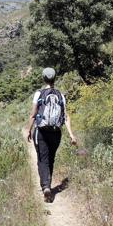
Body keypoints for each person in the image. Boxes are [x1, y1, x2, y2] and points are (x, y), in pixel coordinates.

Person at [25, 67, 77, 202]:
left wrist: (28, 130)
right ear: (55, 78)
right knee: (51, 159)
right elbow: (66, 117)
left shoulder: (39, 93)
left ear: (43, 78)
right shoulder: (61, 95)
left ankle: (46, 186)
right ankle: (48, 184)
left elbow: (33, 114)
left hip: (41, 131)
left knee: (42, 159)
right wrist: (71, 135)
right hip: (56, 132)